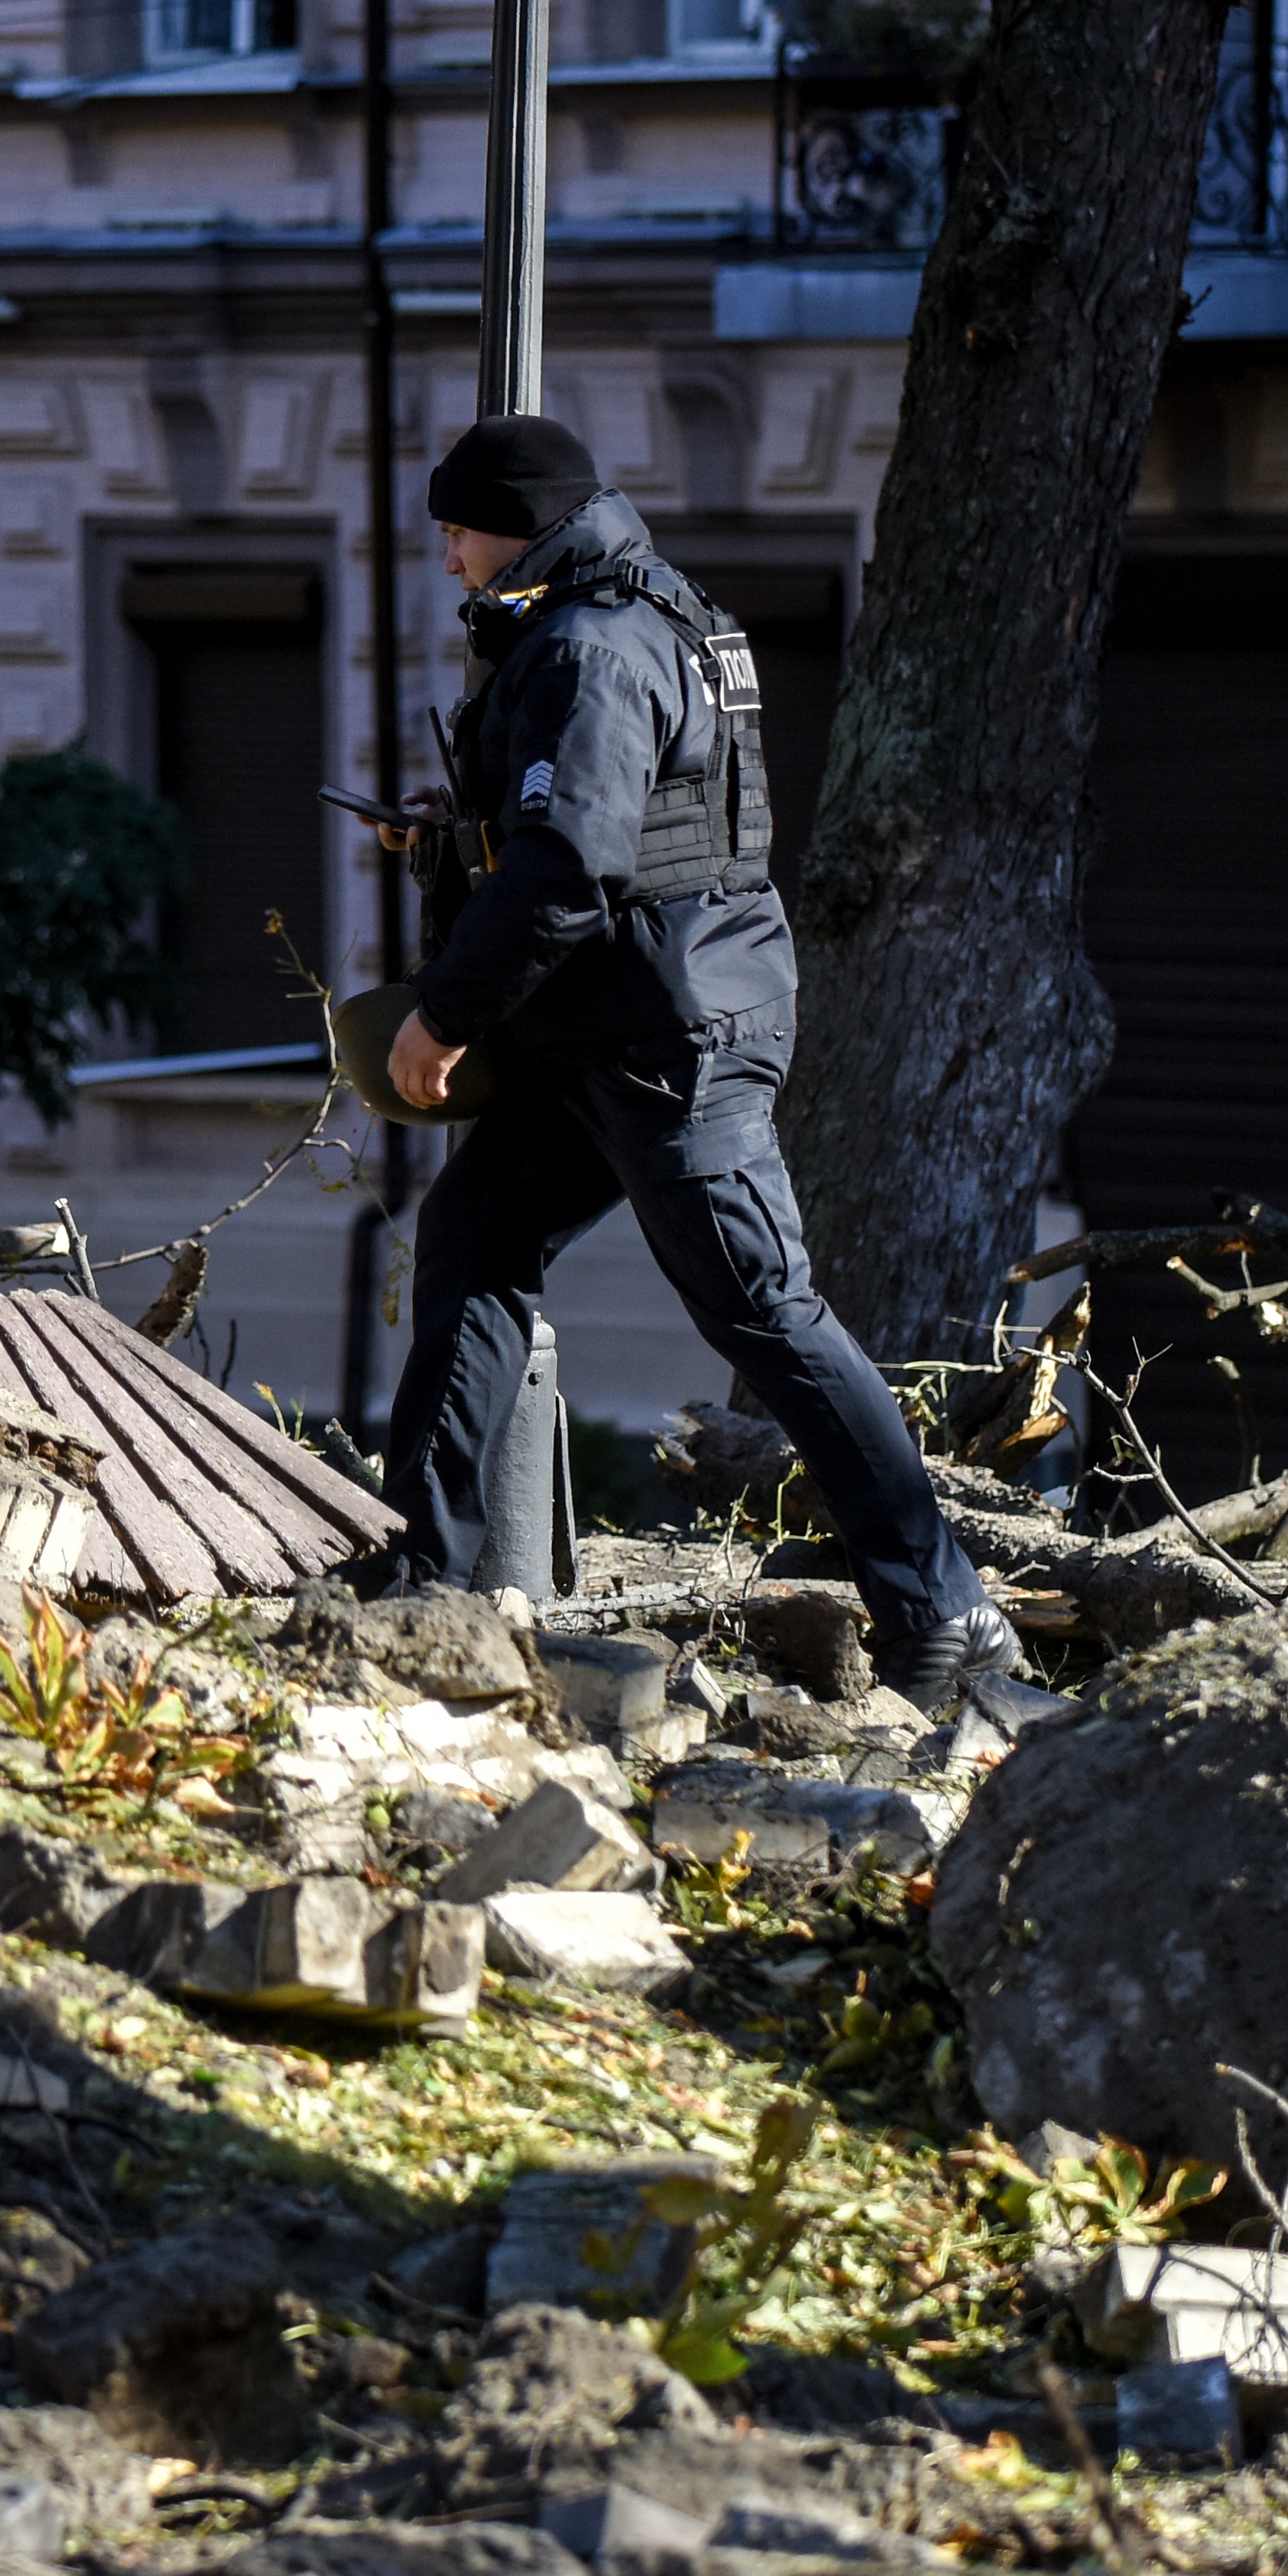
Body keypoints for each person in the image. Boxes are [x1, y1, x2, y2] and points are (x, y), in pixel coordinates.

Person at [371, 410, 1020, 1718]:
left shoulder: (589, 644)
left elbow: (576, 867)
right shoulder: (645, 616)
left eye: (457, 527)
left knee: (764, 1307)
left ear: (521, 522)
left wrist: (439, 1015)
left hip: (669, 1040)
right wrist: (457, 837)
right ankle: (419, 1588)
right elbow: (617, 825)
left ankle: (946, 1606)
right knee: (475, 1235)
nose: (446, 555)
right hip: (609, 1025)